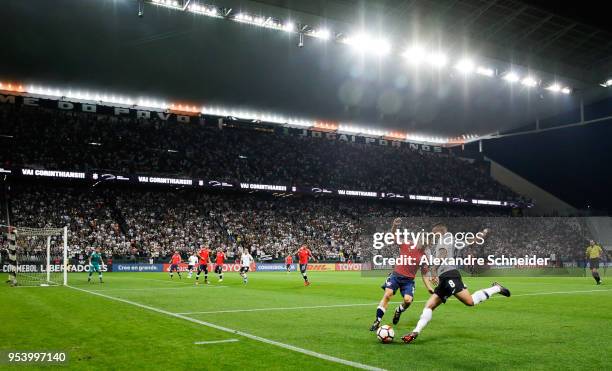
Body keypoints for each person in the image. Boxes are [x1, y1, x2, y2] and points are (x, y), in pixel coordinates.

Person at [402, 224, 510, 344]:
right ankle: (415, 332)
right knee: (429, 306)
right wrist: (482, 234)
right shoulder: (451, 239)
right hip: (445, 278)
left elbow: (443, 253)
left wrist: (433, 270)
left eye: (434, 232)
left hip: (449, 275)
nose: (432, 235)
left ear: (439, 232)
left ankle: (496, 288)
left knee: (470, 301)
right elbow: (470, 241)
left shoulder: (444, 239)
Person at [370, 218, 435, 331]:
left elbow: (424, 274)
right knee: (388, 294)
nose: (425, 243)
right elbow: (393, 236)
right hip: (396, 276)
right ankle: (377, 321)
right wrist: (394, 226)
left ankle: (398, 311)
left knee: (408, 300)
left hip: (408, 281)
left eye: (428, 242)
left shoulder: (424, 256)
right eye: (424, 240)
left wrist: (429, 287)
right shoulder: (407, 244)